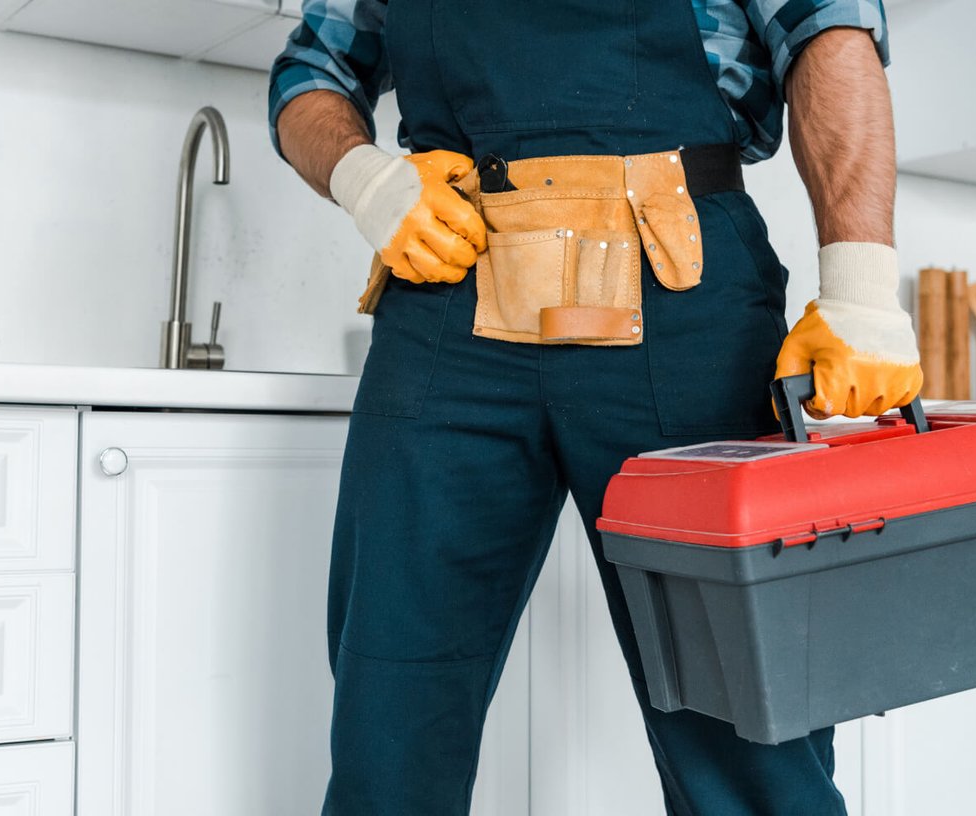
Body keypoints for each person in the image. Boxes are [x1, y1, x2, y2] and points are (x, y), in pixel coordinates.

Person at [268, 1, 923, 813]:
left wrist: (860, 284)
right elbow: (310, 77)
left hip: (681, 295)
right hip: (449, 304)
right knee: (389, 711)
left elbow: (827, 30)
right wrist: (365, 178)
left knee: (748, 732)